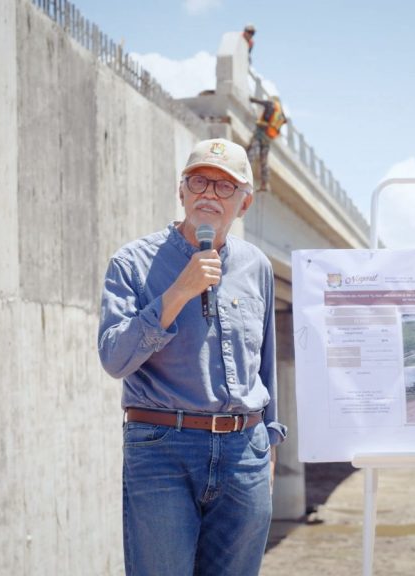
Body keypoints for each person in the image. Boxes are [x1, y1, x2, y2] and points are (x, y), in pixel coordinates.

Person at [98, 137, 287, 575]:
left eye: (225, 186)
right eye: (200, 181)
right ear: (181, 191)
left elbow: (264, 364)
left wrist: (268, 445)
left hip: (246, 452)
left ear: (244, 203)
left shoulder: (256, 265)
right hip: (163, 447)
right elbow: (114, 358)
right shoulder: (131, 263)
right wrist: (178, 292)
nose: (209, 194)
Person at [246, 95, 286, 193]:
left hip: (262, 130)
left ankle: (244, 169)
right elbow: (284, 121)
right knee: (264, 159)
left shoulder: (271, 104)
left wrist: (251, 99)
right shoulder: (281, 112)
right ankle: (265, 183)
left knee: (253, 149)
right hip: (269, 135)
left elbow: (259, 101)